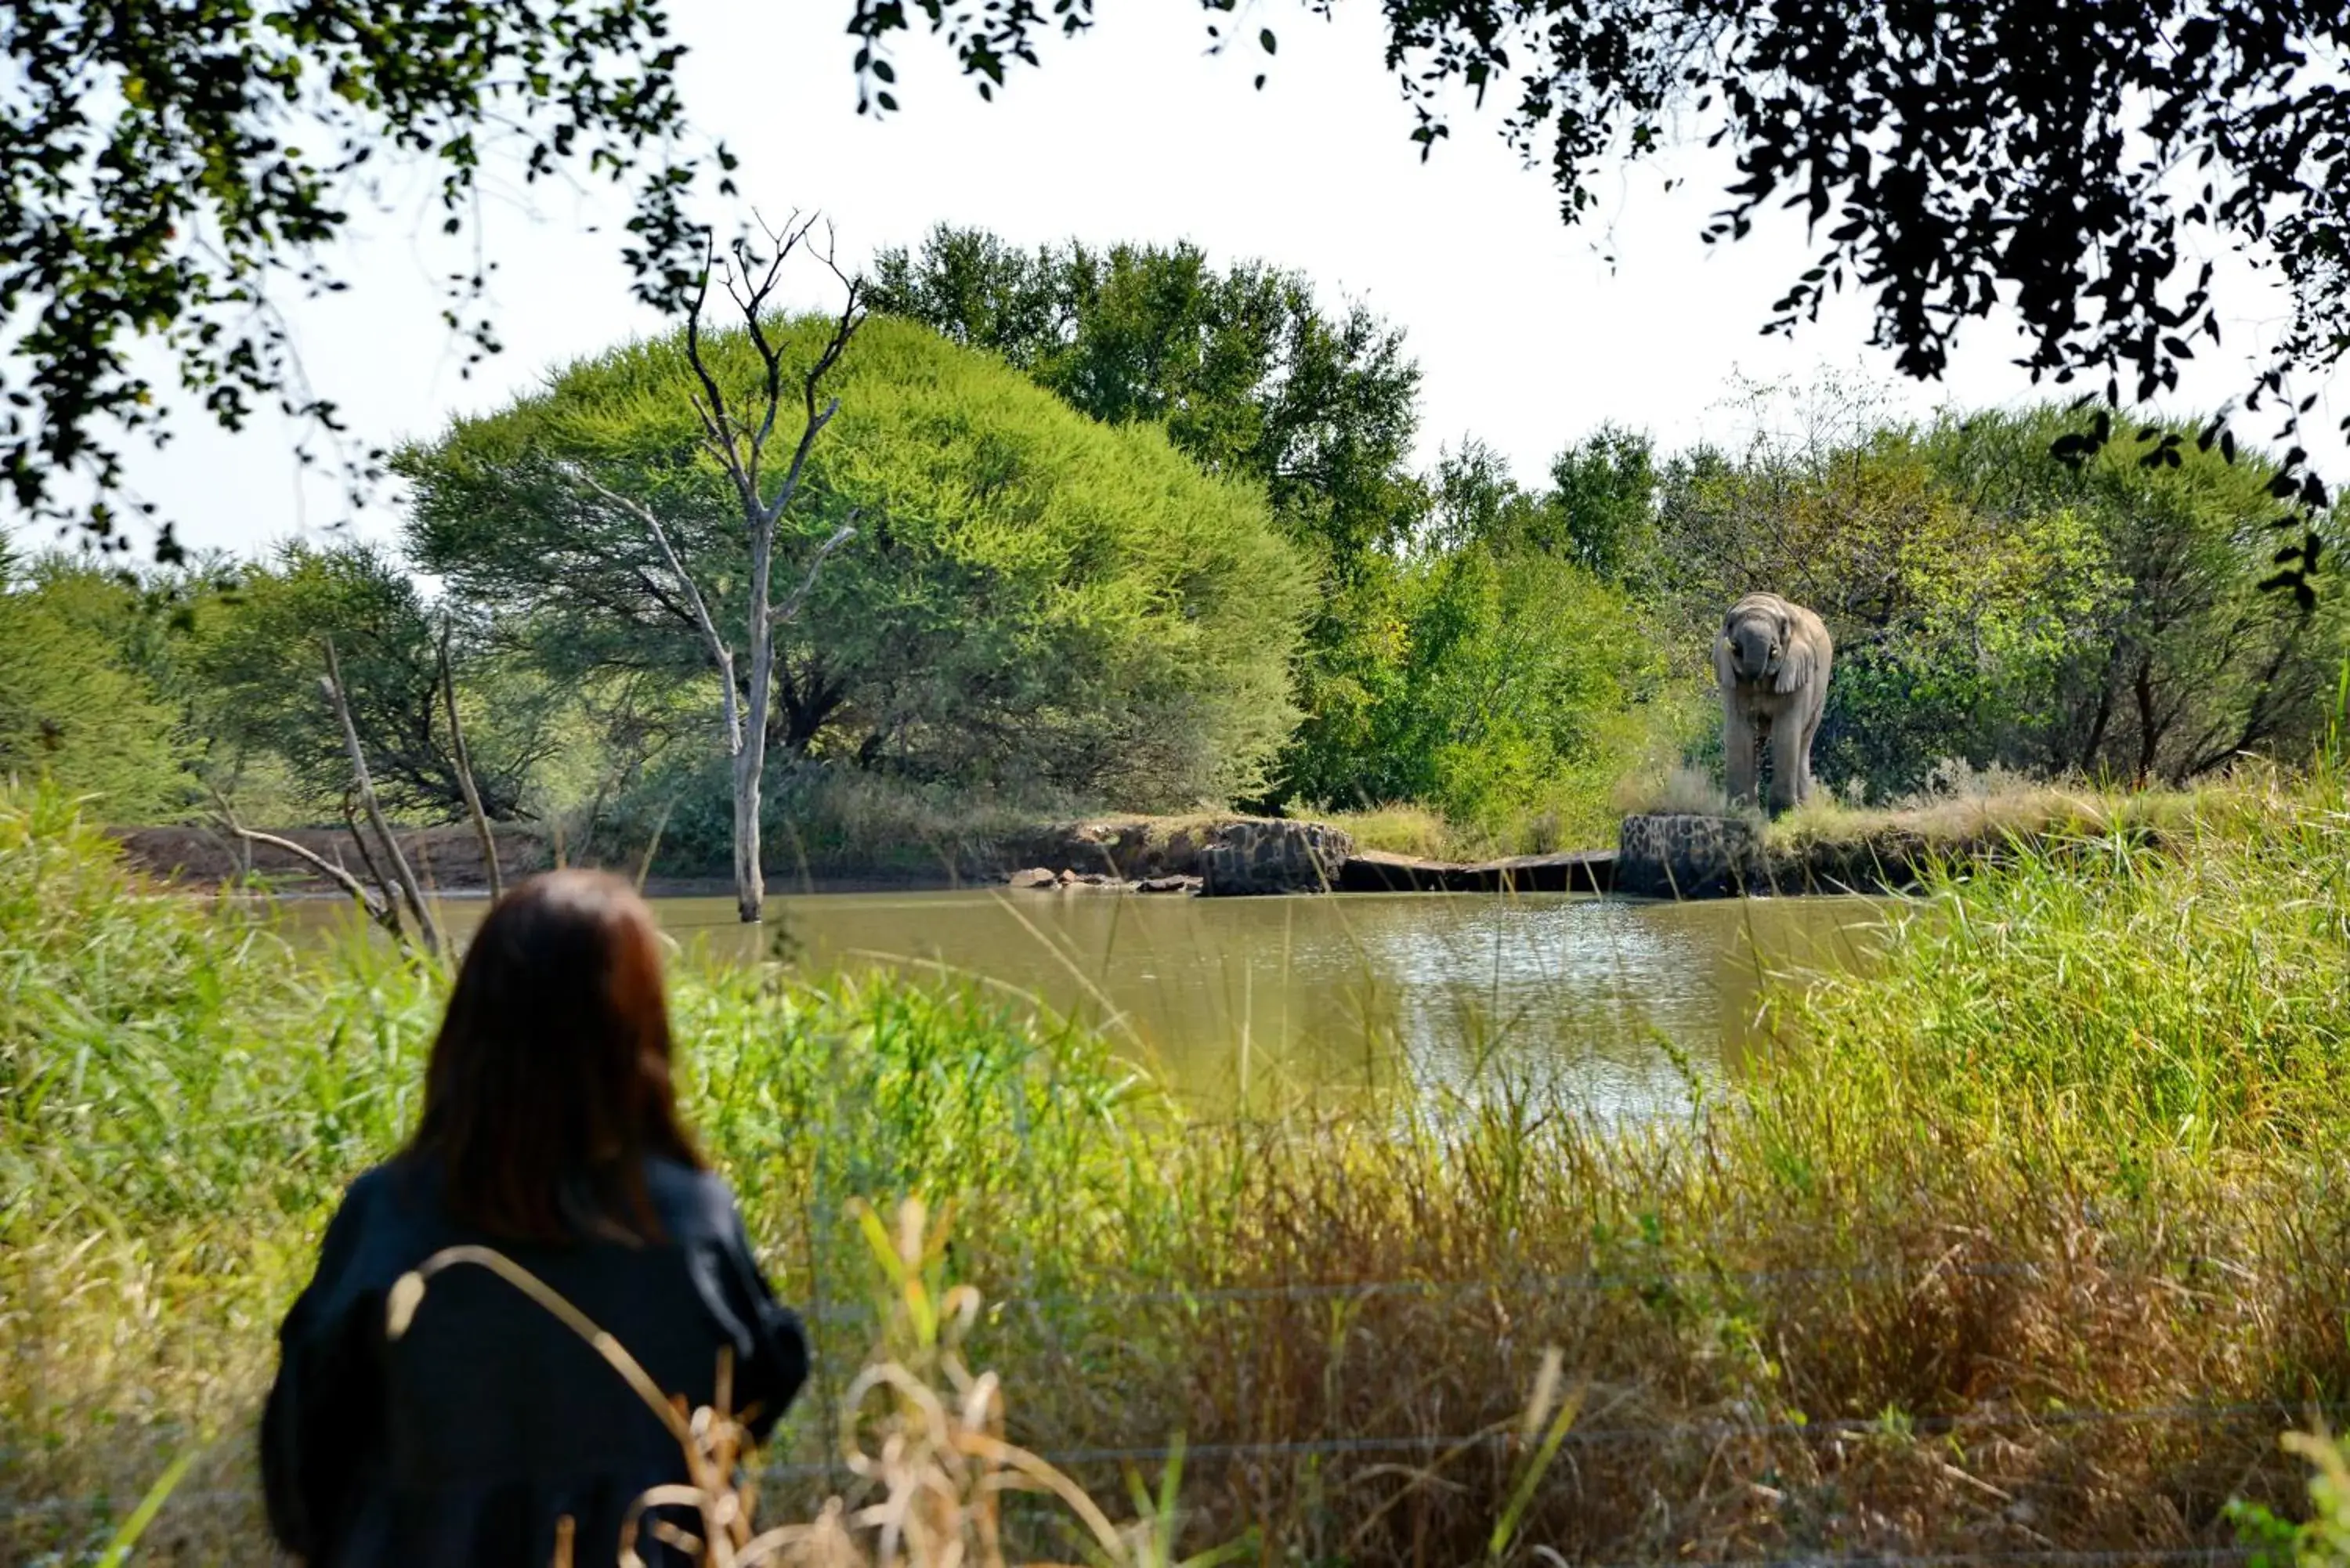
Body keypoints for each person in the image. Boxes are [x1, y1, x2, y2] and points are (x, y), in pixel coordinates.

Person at [262, 870, 808, 1567]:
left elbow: (302, 1458)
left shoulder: (387, 1214)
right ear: (638, 1029)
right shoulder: (689, 1217)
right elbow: (759, 1389)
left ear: (470, 1027)